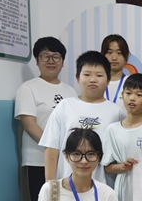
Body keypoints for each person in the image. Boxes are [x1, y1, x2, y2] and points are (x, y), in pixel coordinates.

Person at [40, 51, 125, 184]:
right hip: (67, 185)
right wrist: (50, 184)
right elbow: (51, 147)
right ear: (77, 78)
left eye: (99, 75)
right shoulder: (64, 106)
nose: (93, 79)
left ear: (108, 80)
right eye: (87, 74)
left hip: (103, 186)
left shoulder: (117, 112)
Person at [15, 37, 77, 201]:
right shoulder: (28, 88)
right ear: (37, 60)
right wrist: (55, 149)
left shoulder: (70, 90)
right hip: (38, 160)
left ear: (62, 62)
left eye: (56, 56)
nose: (51, 61)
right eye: (45, 56)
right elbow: (29, 125)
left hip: (66, 162)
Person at [101, 34, 130, 110]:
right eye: (109, 52)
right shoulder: (97, 83)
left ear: (126, 56)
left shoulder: (132, 83)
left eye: (119, 53)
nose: (114, 58)